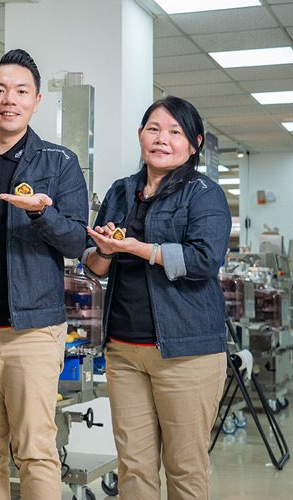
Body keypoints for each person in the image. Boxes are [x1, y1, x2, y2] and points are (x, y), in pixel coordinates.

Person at [83, 96, 230, 499]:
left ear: (194, 143)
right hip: (125, 350)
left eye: (175, 132)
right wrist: (107, 251)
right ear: (140, 135)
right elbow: (95, 266)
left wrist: (138, 248)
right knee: (134, 468)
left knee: (184, 468)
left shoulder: (204, 194)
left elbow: (204, 260)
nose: (162, 139)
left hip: (187, 351)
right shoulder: (119, 192)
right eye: (153, 129)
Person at [0, 49, 88, 500]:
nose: (8, 100)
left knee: (35, 450)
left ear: (36, 102)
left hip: (32, 329)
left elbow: (78, 243)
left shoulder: (60, 163)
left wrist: (42, 215)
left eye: (20, 91)